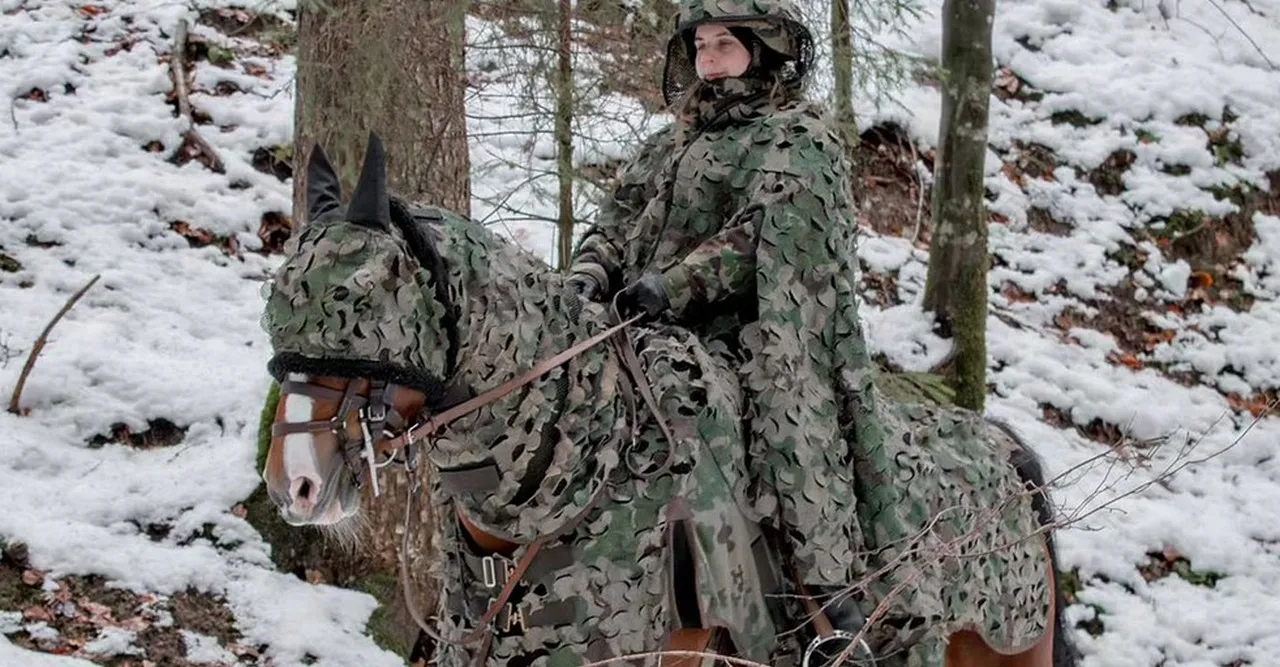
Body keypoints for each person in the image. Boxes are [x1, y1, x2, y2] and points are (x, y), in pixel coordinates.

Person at [566, 0, 898, 646]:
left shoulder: (801, 140)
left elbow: (761, 240)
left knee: (785, 438)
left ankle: (824, 606)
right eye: (699, 48)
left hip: (750, 338)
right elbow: (616, 218)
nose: (708, 62)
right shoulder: (672, 141)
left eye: (722, 45)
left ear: (762, 47)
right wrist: (589, 271)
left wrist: (676, 285)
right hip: (638, 323)